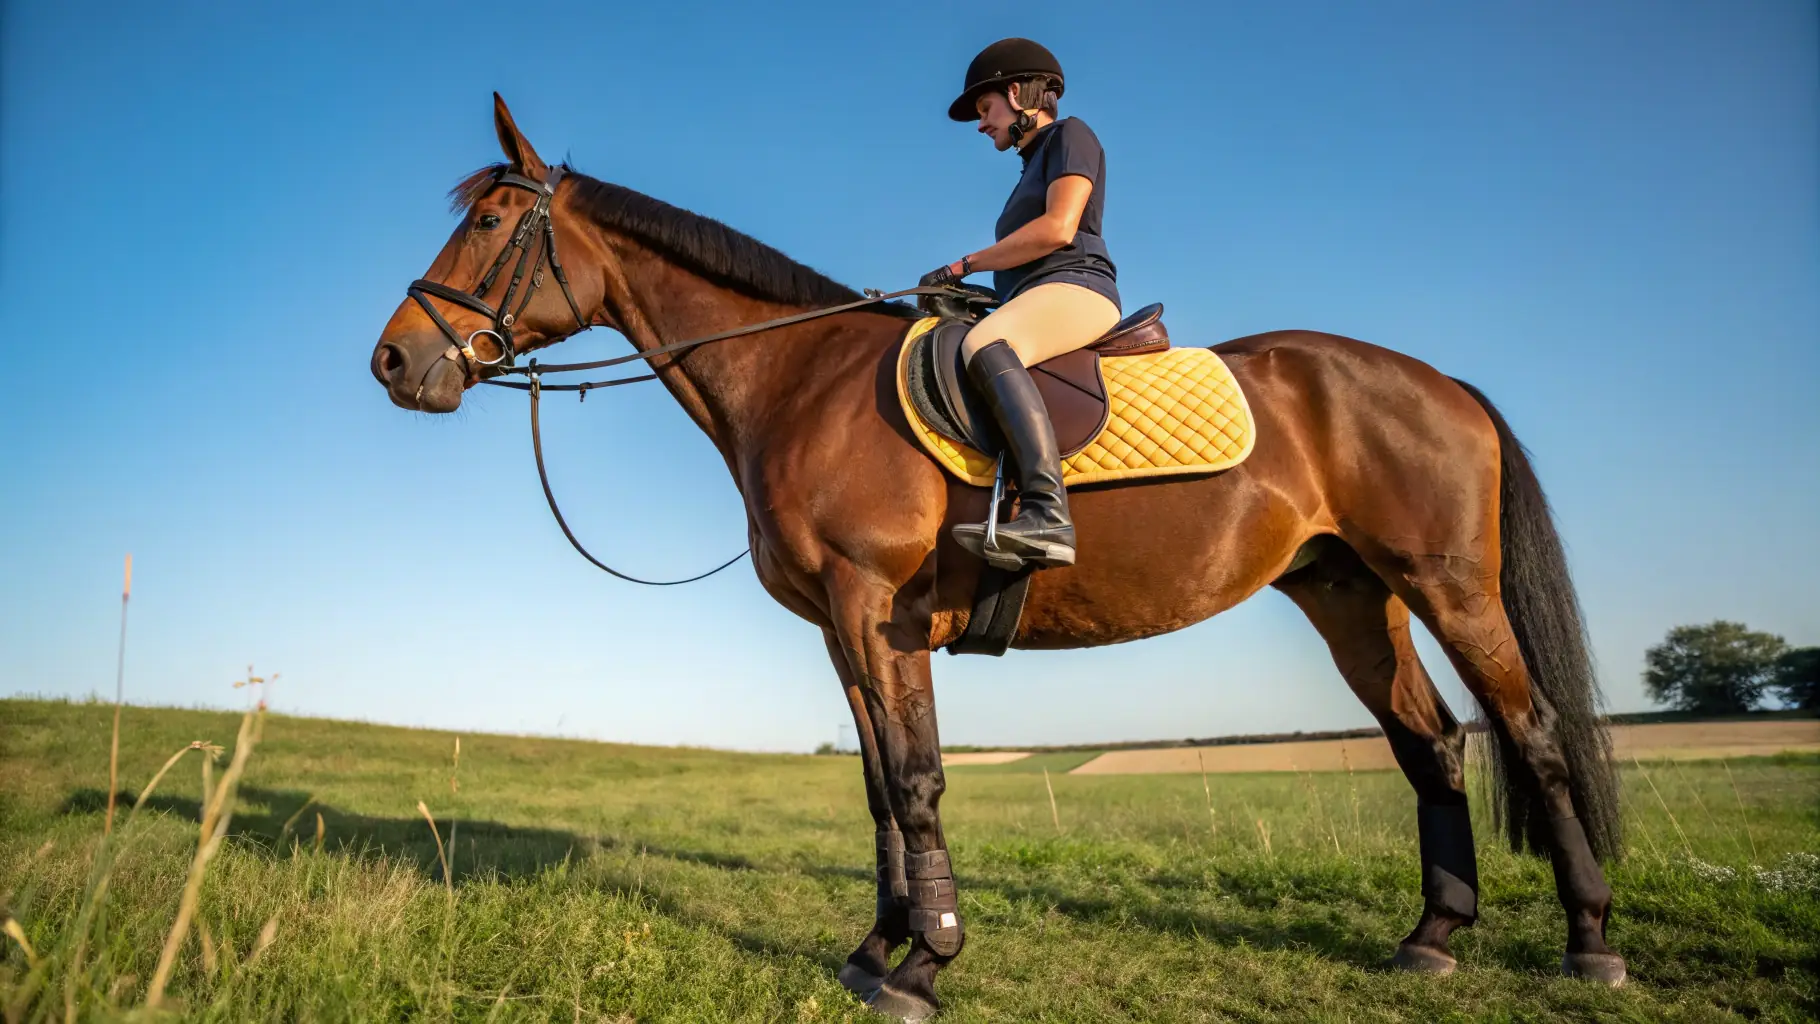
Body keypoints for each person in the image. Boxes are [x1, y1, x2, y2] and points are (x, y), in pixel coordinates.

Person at [920, 38, 1120, 570]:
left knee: (988, 342)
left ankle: (1048, 513)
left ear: (1016, 92)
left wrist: (963, 265)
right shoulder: (1027, 170)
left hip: (1079, 287)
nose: (982, 124)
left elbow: (1058, 229)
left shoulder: (1072, 135)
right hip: (1041, 292)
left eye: (985, 110)